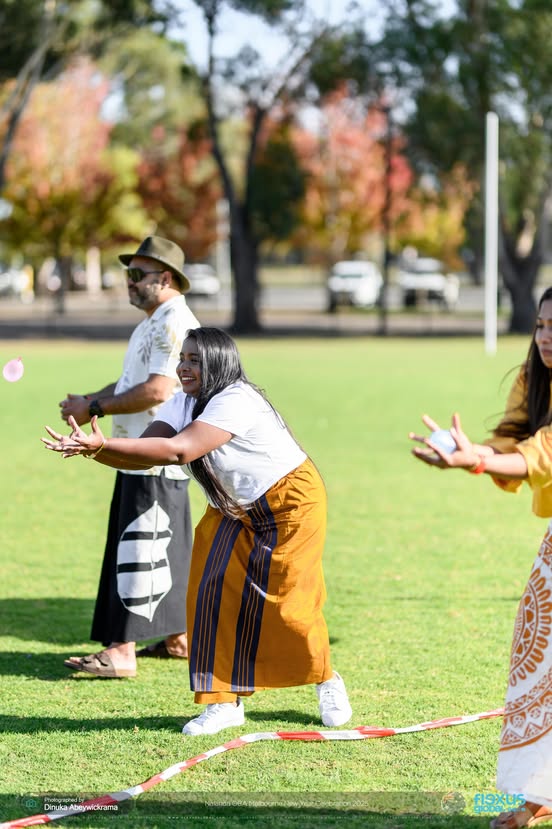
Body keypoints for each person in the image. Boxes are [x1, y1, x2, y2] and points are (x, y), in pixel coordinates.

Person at [44, 326, 353, 735]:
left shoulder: (236, 399)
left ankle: (325, 679)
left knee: (289, 604)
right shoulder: (181, 402)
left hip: (290, 503)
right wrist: (97, 450)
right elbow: (151, 452)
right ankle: (222, 702)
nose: (184, 367)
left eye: (195, 360)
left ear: (220, 363)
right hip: (231, 507)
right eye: (183, 358)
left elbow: (180, 450)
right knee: (209, 592)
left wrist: (100, 447)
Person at [409, 286, 552, 829]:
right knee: (536, 656)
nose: (545, 336)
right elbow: (515, 441)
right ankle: (537, 794)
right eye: (541, 324)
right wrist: (474, 454)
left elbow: (541, 456)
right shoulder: (532, 376)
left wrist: (476, 463)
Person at [58, 236, 200, 679]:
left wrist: (96, 409)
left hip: (153, 453)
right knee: (167, 544)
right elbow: (127, 385)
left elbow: (159, 390)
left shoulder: (175, 322)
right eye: (128, 274)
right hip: (141, 453)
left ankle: (120, 652)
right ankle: (178, 637)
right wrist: (89, 400)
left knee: (138, 545)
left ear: (166, 278)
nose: (129, 282)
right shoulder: (153, 322)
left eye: (138, 275)